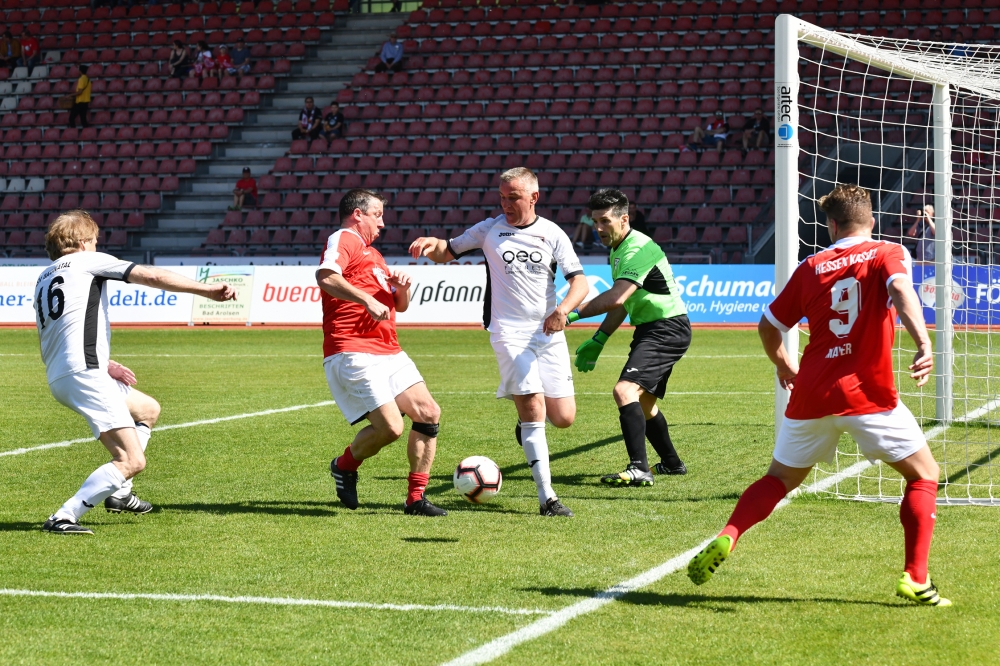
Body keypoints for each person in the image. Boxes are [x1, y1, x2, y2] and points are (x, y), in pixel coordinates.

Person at [687, 184, 950, 607]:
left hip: (811, 393)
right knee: (923, 476)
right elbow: (901, 291)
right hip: (867, 394)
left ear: (830, 225)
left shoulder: (811, 266)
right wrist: (924, 342)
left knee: (778, 480)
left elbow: (768, 326)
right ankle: (915, 578)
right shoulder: (887, 251)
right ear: (871, 220)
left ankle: (728, 535)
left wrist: (784, 366)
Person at [37, 210, 236, 534]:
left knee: (147, 409)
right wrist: (207, 291)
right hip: (84, 374)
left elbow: (60, 331)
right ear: (85, 241)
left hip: (65, 373)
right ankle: (64, 516)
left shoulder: (45, 276)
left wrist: (103, 363)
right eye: (96, 240)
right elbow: (151, 276)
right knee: (132, 460)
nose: (97, 245)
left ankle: (120, 494)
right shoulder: (88, 261)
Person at [409, 167, 590, 517]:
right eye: (502, 197)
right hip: (508, 333)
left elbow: (580, 283)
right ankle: (547, 498)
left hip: (549, 334)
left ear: (534, 197)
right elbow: (449, 250)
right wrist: (433, 244)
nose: (505, 204)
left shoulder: (552, 233)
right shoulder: (490, 229)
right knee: (535, 405)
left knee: (564, 418)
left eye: (514, 197)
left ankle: (525, 426)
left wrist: (563, 311)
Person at [318, 189, 447, 517]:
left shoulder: (373, 255)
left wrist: (401, 289)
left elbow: (397, 306)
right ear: (358, 214)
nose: (383, 223)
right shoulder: (344, 238)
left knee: (429, 413)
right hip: (353, 349)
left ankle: (415, 499)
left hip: (389, 350)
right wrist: (366, 299)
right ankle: (344, 465)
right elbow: (325, 276)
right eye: (377, 215)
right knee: (391, 428)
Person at [566, 189, 691, 486]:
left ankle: (639, 468)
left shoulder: (637, 248)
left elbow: (616, 296)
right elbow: (623, 303)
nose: (598, 228)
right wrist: (599, 339)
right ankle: (672, 464)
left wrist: (569, 314)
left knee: (624, 391)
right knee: (644, 404)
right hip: (654, 328)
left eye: (605, 221)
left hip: (666, 328)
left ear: (624, 219)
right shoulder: (618, 248)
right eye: (594, 221)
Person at [68, 64, 92, 129]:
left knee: (71, 118)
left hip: (80, 102)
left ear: (80, 71)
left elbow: (80, 92)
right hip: (86, 102)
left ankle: (73, 133)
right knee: (83, 120)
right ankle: (87, 133)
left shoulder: (81, 79)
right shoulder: (88, 80)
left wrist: (70, 95)